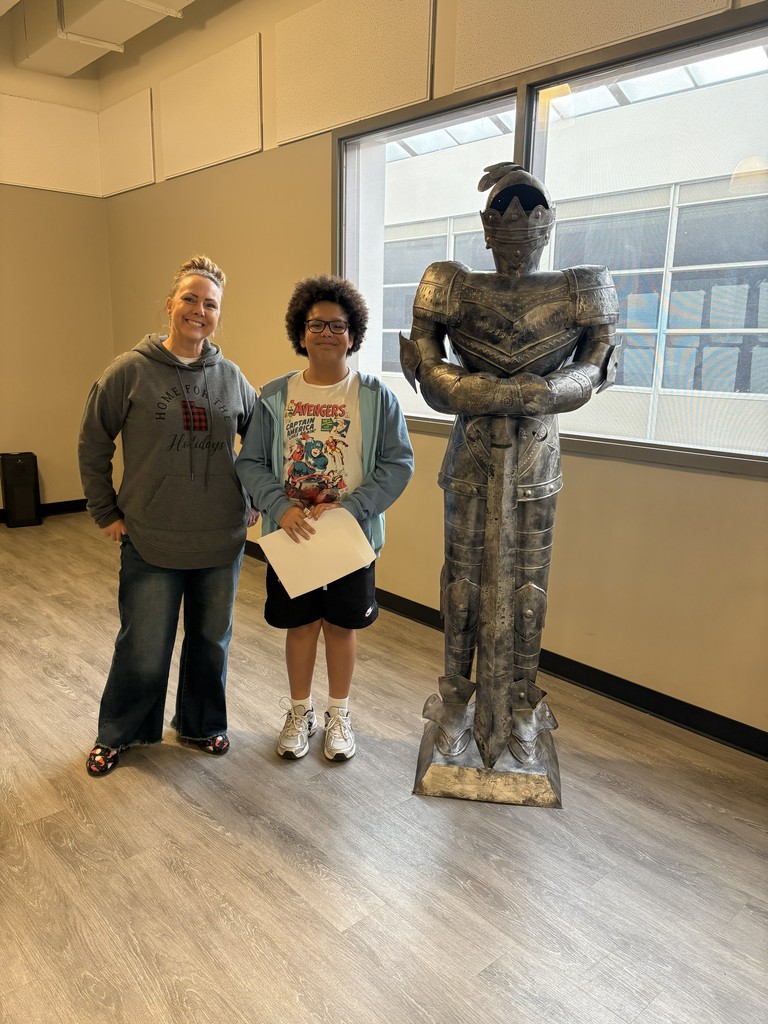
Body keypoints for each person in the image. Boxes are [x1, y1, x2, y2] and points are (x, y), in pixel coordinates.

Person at [400, 163, 619, 774]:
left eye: (528, 219)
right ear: (487, 228)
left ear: (546, 225)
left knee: (529, 582)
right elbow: (422, 352)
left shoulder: (581, 282)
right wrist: (466, 390)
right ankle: (455, 700)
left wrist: (546, 393)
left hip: (537, 450)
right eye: (506, 220)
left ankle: (522, 702)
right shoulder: (449, 281)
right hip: (470, 446)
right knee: (462, 580)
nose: (517, 235)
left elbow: (601, 358)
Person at [78, 255, 257, 776]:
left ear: (218, 314)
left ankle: (201, 724)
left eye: (210, 304)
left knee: (210, 643)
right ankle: (121, 733)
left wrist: (253, 498)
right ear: (170, 304)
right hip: (151, 537)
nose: (199, 310)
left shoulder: (230, 377)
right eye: (190, 299)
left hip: (220, 540)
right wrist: (104, 510)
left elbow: (262, 441)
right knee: (144, 645)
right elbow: (93, 441)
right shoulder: (130, 371)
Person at [236, 274, 413, 761]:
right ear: (300, 333)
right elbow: (249, 461)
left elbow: (398, 464)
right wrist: (281, 506)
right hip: (291, 535)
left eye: (338, 326)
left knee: (341, 627)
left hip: (348, 539)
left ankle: (339, 714)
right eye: (316, 324)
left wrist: (353, 510)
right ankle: (300, 711)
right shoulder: (274, 396)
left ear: (353, 334)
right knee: (301, 627)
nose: (327, 333)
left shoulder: (377, 396)